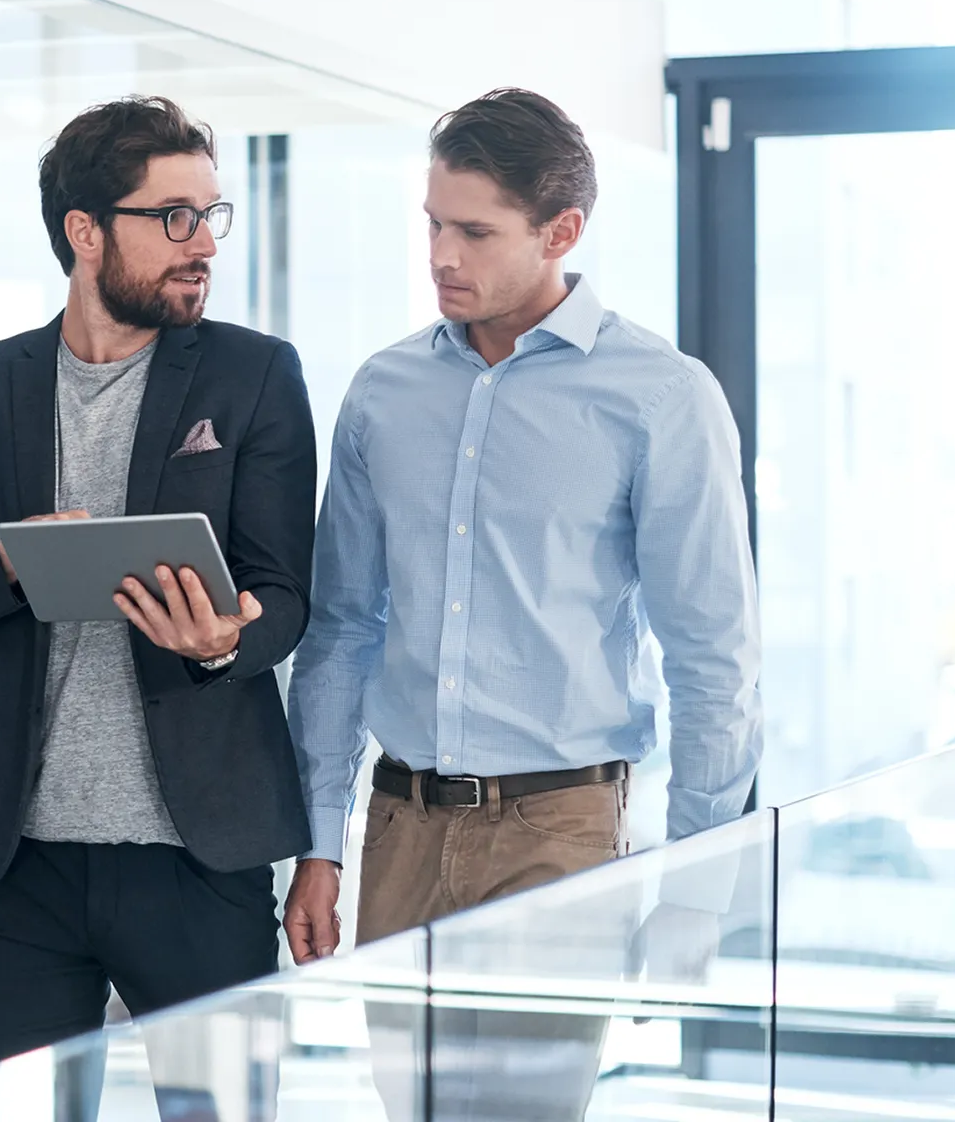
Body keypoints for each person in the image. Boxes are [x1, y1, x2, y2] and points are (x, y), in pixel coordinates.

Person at [283, 89, 762, 1118]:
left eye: (473, 232)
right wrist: (317, 843)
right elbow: (338, 631)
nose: (441, 256)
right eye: (430, 224)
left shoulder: (660, 396)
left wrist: (695, 884)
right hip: (400, 828)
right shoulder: (382, 392)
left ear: (562, 232)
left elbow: (711, 657)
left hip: (559, 833)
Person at [0, 95, 318, 1076]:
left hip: (198, 857)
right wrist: (6, 559)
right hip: (17, 866)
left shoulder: (255, 376)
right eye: (172, 217)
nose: (200, 242)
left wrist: (226, 640)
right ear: (85, 231)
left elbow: (286, 592)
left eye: (211, 215)